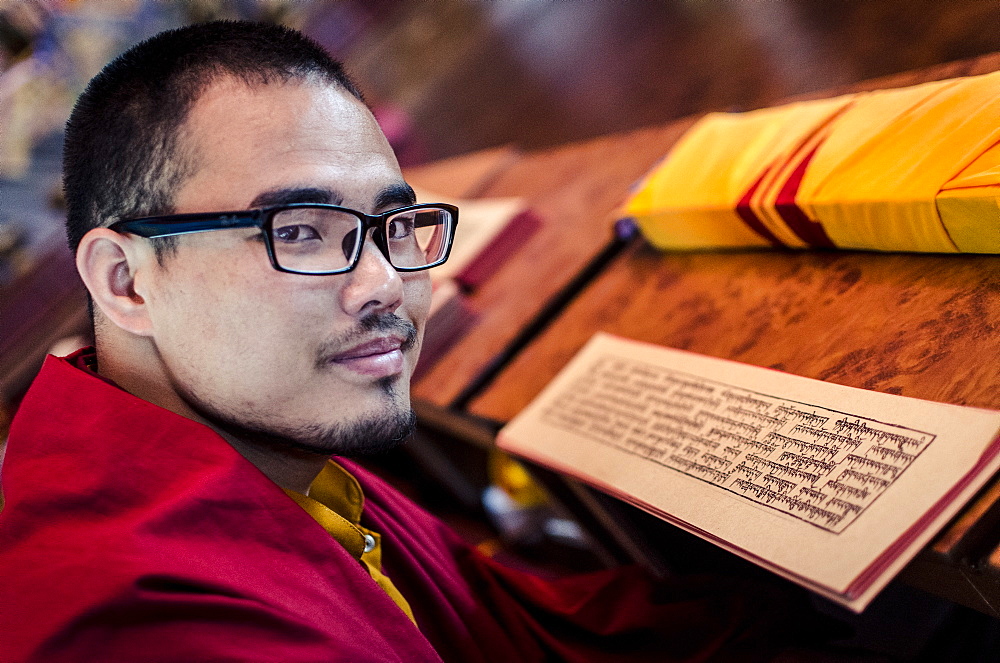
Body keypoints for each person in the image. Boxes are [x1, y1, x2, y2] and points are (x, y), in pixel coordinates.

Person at [0, 21, 826, 662]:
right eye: (303, 230)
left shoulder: (256, 438)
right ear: (126, 281)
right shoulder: (140, 624)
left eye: (394, 223)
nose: (385, 282)